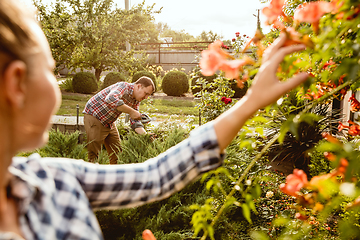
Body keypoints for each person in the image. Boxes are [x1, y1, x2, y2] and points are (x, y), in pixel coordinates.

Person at [0, 0, 309, 239]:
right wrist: (134, 113)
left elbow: (153, 176)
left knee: (114, 148)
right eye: (51, 70)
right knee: (94, 147)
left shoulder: (51, 181)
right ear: (16, 84)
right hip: (96, 117)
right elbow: (113, 104)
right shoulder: (122, 91)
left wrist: (251, 101)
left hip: (110, 124)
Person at [83, 76, 155, 164]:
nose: (146, 97)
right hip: (94, 116)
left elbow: (135, 121)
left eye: (148, 95)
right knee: (94, 154)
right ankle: (92, 176)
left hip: (109, 121)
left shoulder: (136, 101)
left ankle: (114, 175)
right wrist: (131, 111)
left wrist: (146, 135)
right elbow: (110, 99)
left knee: (117, 153)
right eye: (146, 93)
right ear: (138, 86)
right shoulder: (123, 86)